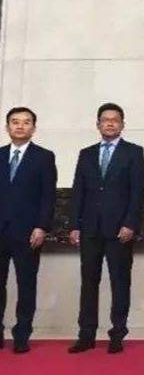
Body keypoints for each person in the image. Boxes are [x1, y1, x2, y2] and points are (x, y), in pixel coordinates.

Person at [68, 103, 144, 354]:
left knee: (120, 282)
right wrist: (75, 225)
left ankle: (117, 334)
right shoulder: (86, 154)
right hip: (90, 229)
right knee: (88, 282)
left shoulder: (134, 153)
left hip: (120, 230)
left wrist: (130, 223)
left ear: (122, 124)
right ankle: (86, 335)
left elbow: (138, 192)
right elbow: (78, 191)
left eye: (115, 120)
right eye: (105, 120)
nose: (110, 123)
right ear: (98, 124)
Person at [0, 107, 57, 354]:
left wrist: (41, 226)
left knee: (26, 286)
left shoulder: (44, 157)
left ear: (33, 127)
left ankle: (22, 335)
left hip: (28, 233)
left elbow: (48, 196)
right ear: (7, 127)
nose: (20, 126)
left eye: (26, 122)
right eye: (15, 122)